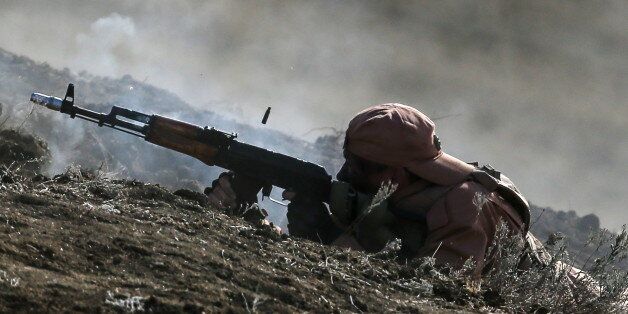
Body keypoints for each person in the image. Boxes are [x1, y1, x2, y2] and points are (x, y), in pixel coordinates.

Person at [206, 103, 530, 274]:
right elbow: (385, 245)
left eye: (360, 166)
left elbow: (440, 293)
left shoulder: (465, 206)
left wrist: (331, 240)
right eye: (348, 159)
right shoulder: (395, 194)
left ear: (400, 171)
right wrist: (257, 222)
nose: (347, 174)